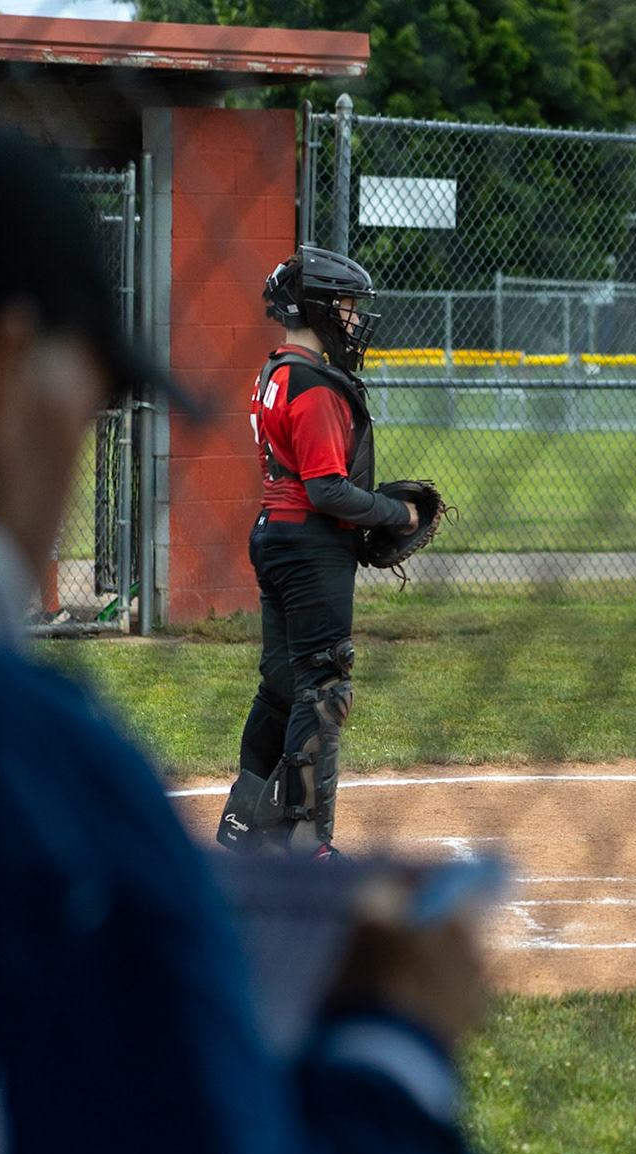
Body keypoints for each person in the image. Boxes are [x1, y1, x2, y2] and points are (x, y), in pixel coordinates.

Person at [0, 97, 489, 1154]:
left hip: (285, 549)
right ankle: (298, 836)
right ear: (2, 372)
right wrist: (392, 1055)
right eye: (86, 388)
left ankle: (262, 818)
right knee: (316, 683)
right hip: (305, 554)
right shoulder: (7, 762)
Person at [215, 248, 420, 859]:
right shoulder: (313, 382)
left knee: (280, 688)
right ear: (321, 309)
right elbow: (327, 487)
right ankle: (310, 845)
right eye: (348, 308)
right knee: (323, 690)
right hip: (309, 544)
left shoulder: (275, 370)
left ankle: (246, 826)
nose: (354, 321)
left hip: (275, 533)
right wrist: (395, 512)